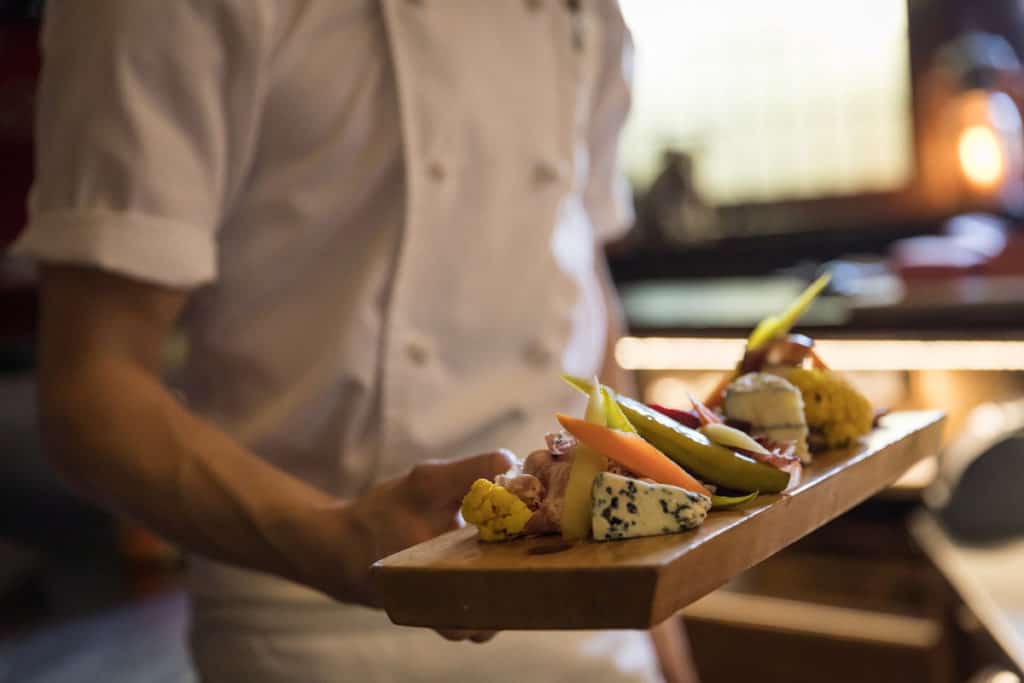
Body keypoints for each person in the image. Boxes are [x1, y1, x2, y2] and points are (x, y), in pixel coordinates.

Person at [12, 1, 698, 681]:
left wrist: (664, 639)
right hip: (314, 629)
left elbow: (582, 292)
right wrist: (337, 540)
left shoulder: (586, 12)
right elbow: (90, 391)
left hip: (591, 620)